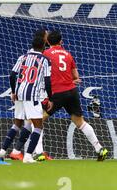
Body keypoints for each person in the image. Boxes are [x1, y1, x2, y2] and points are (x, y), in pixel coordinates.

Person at [43, 30, 108, 161]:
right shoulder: (68, 54)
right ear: (61, 41)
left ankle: (37, 152)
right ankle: (99, 148)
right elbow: (76, 77)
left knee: (38, 120)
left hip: (56, 93)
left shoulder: (45, 54)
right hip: (71, 91)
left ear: (48, 41)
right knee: (81, 122)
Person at [4, 32, 52, 163]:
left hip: (20, 93)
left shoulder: (24, 56)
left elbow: (12, 75)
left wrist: (14, 91)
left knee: (22, 123)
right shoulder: (44, 59)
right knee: (37, 125)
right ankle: (30, 155)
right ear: (43, 44)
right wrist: (50, 97)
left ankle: (8, 152)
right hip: (33, 95)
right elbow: (47, 80)